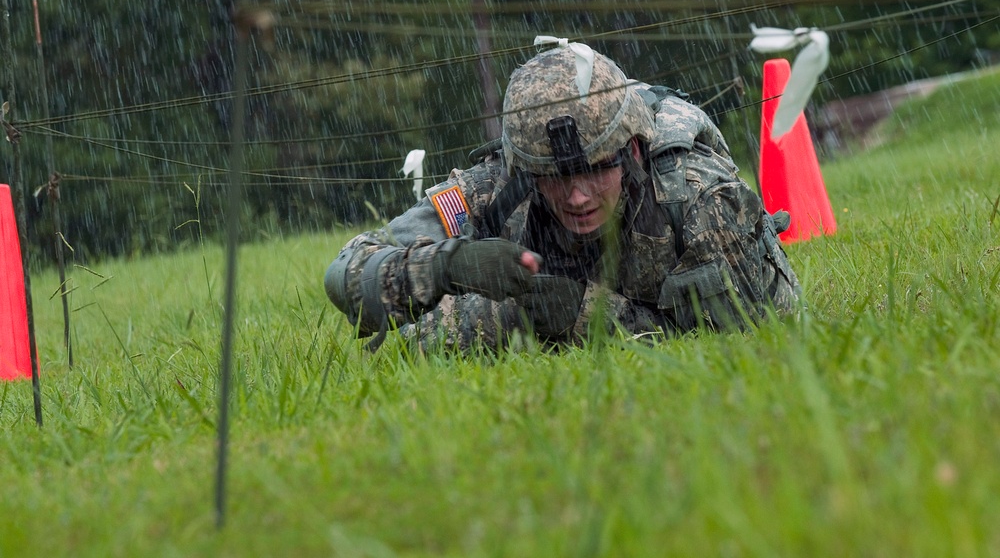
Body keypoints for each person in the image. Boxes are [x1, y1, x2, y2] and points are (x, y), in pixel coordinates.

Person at [324, 39, 801, 352]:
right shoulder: (499, 186)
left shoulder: (696, 199)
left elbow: (761, 338)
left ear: (631, 151)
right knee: (426, 341)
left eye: (596, 170)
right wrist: (449, 266)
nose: (576, 196)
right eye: (553, 176)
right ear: (528, 168)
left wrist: (583, 314)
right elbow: (346, 274)